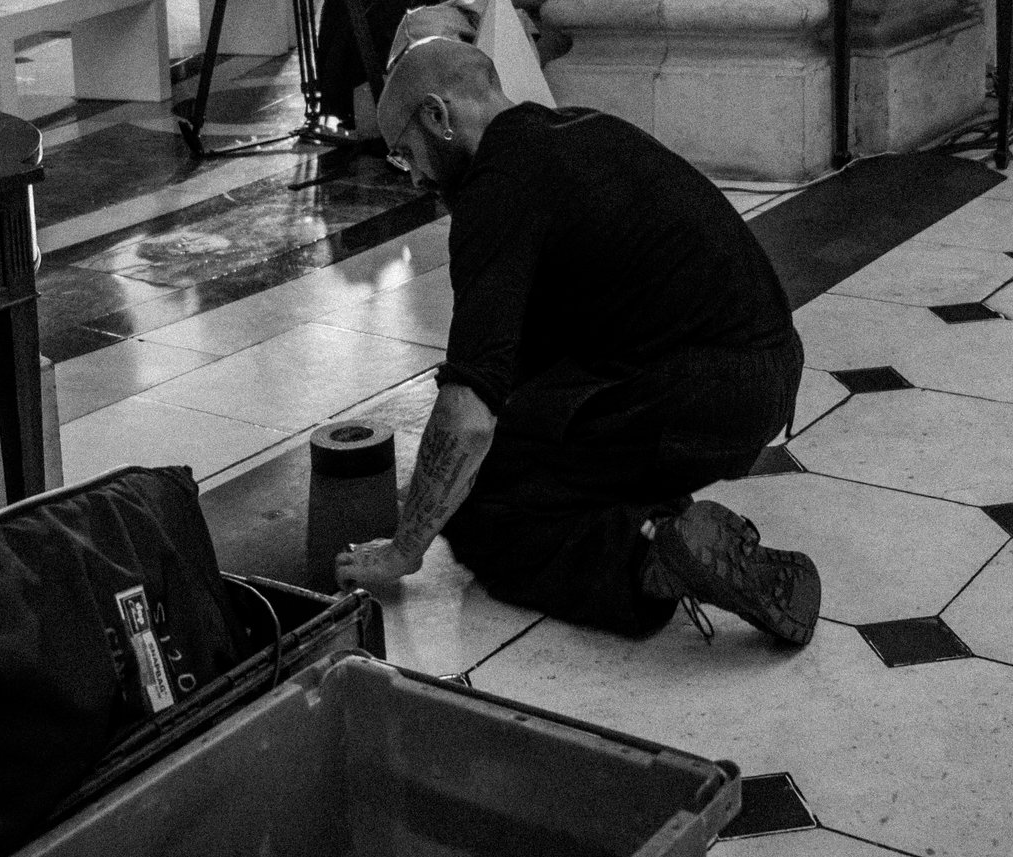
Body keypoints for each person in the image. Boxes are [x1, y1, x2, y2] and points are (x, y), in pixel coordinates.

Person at [335, 40, 822, 645]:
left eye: (406, 154)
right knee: (517, 448)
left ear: (439, 117)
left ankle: (654, 559)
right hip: (758, 375)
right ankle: (673, 530)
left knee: (484, 511)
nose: (416, 177)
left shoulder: (497, 190)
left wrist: (405, 548)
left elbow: (470, 416)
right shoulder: (576, 132)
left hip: (702, 393)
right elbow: (523, 370)